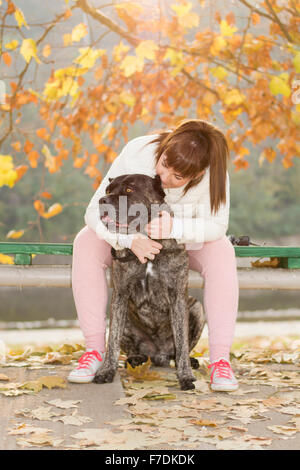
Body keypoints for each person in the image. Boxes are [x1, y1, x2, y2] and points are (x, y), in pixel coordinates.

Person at [68, 119, 239, 392]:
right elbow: (93, 211)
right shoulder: (138, 150)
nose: (164, 178)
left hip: (181, 242)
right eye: (164, 165)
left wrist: (176, 227)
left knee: (222, 251)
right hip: (129, 235)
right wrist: (125, 239)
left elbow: (217, 225)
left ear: (198, 174)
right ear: (165, 148)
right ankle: (95, 352)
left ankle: (220, 360)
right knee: (85, 241)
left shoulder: (213, 173)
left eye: (177, 177)